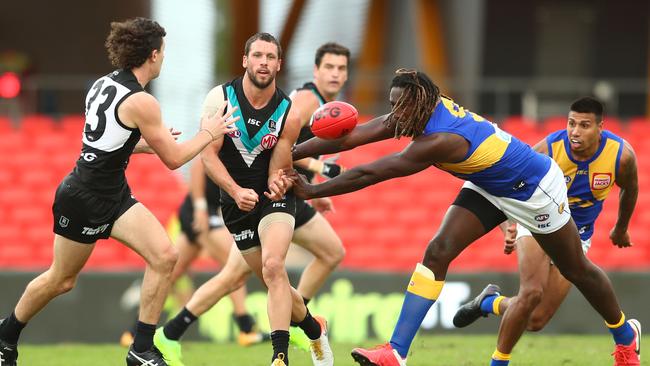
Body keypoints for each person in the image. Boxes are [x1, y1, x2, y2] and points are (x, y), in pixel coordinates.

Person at [290, 69, 641, 366]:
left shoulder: (441, 139)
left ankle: (624, 336)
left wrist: (311, 191)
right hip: (490, 182)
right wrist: (291, 152)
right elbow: (351, 137)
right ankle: (395, 352)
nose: (395, 113)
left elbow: (370, 173)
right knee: (438, 250)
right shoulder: (415, 111)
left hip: (535, 191)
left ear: (419, 103)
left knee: (575, 268)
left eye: (401, 105)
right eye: (392, 104)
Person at [0, 18, 238, 366]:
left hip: (112, 193)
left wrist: (148, 144)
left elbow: (109, 142)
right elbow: (173, 161)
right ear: (153, 55)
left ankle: (140, 349)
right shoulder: (143, 101)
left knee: (165, 256)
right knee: (61, 279)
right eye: (163, 52)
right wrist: (209, 132)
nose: (164, 59)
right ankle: (6, 335)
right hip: (84, 196)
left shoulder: (102, 83)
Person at [154, 33, 333, 366]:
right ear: (245, 60)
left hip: (272, 202)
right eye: (258, 56)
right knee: (267, 278)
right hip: (234, 205)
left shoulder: (288, 113)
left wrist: (279, 186)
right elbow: (205, 156)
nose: (264, 63)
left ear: (279, 64)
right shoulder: (219, 100)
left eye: (270, 57)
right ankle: (312, 327)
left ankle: (279, 356)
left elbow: (280, 166)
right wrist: (235, 192)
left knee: (275, 265)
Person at [452, 96, 639, 365]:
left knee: (536, 320)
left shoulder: (621, 156)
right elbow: (503, 182)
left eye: (584, 125)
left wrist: (621, 228)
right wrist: (508, 224)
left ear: (600, 127)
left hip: (578, 234)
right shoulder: (549, 148)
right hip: (538, 222)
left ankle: (490, 302)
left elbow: (630, 189)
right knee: (531, 293)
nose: (575, 131)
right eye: (571, 123)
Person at [119, 158, 267, 348]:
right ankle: (247, 329)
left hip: (198, 212)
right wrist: (200, 208)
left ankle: (133, 332)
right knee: (235, 267)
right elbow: (200, 163)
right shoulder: (226, 136)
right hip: (200, 214)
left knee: (169, 274)